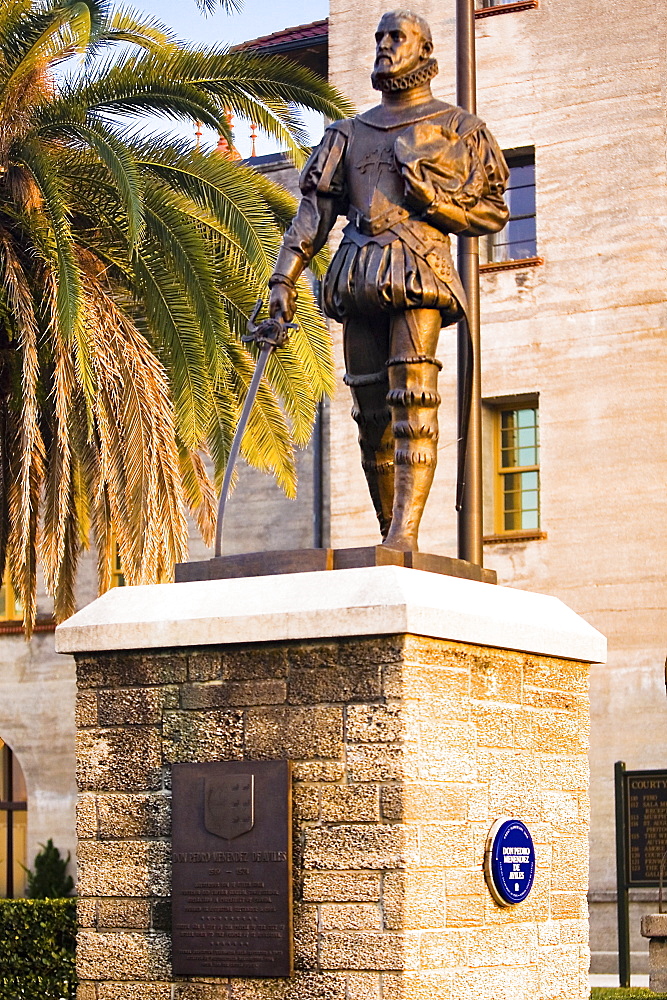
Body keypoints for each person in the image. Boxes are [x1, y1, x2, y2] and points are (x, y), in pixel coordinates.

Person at [269, 9, 509, 551]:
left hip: (417, 270)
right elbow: (311, 215)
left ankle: (405, 535)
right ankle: (387, 533)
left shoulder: (457, 129)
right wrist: (283, 282)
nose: (384, 46)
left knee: (413, 400)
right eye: (379, 37)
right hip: (357, 273)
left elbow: (492, 211)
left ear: (424, 53)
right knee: (370, 410)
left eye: (396, 37)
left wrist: (435, 201)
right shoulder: (346, 134)